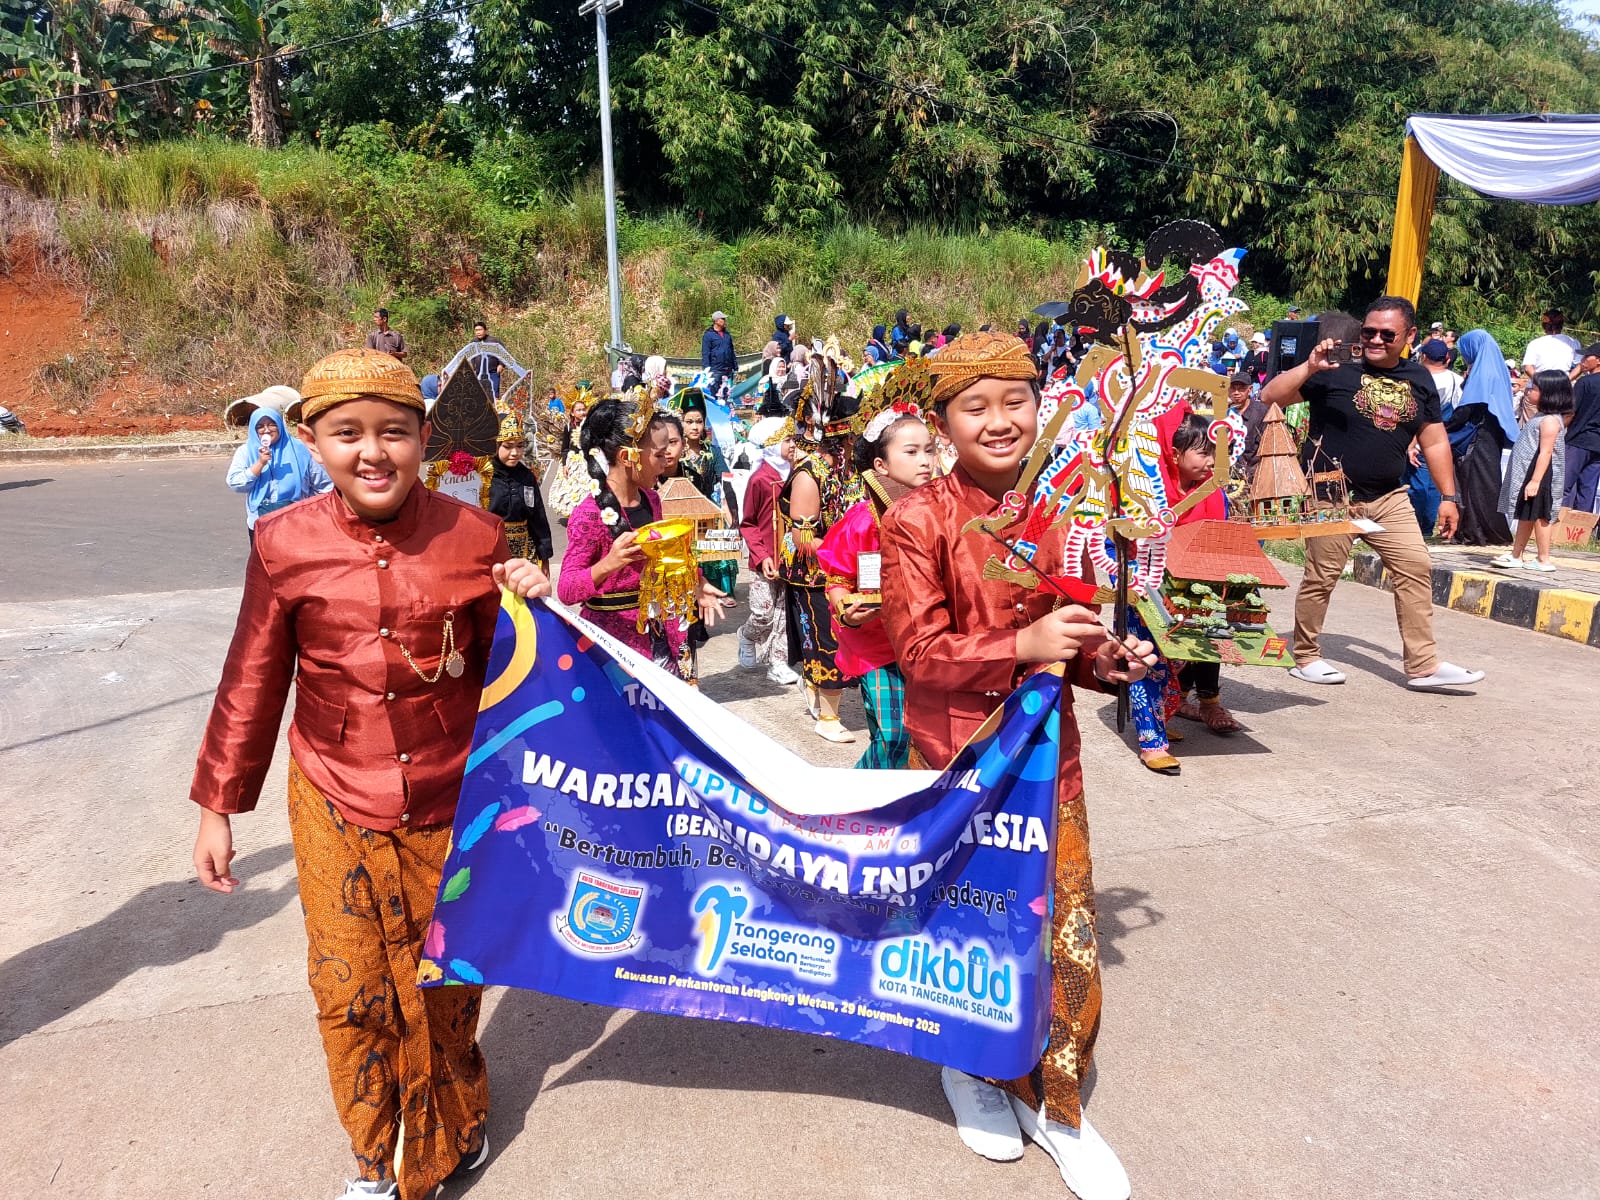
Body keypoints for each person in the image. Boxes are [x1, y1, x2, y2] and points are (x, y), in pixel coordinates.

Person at [190, 348, 552, 1200]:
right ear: (313, 442)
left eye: (394, 432)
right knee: (351, 988)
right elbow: (253, 677)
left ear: (425, 439)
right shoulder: (282, 543)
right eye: (348, 433)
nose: (373, 452)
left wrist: (534, 596)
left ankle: (458, 1128)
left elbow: (526, 666)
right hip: (332, 793)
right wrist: (217, 804)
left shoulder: (477, 538)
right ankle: (374, 1154)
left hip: (449, 798)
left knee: (447, 985)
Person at [880, 331, 1153, 1200]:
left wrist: (1101, 661)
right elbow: (918, 653)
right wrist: (1023, 643)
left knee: (1067, 929)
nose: (1000, 422)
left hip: (1047, 757)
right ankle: (971, 1069)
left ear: (1042, 407)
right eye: (976, 407)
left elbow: (1069, 639)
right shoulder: (916, 520)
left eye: (1016, 401)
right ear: (943, 424)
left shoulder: (1064, 512)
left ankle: (1063, 1109)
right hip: (959, 758)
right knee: (970, 925)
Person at [1262, 295, 1485, 692]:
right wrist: (1309, 367)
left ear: (1410, 336)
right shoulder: (1335, 369)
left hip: (1390, 496)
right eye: (1369, 332)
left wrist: (1449, 497)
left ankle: (1423, 665)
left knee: (1416, 567)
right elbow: (1270, 397)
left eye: (1387, 333)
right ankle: (1307, 655)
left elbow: (1433, 441)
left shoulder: (1419, 380)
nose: (1376, 340)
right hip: (1333, 494)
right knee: (1321, 577)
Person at [556, 397, 724, 674]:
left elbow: (661, 557)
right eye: (658, 454)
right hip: (615, 645)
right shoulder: (589, 514)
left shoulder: (652, 499)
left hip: (662, 632)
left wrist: (698, 581)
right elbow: (567, 589)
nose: (667, 460)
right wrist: (608, 564)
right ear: (627, 457)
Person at [816, 401, 936, 768]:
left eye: (930, 450)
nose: (925, 461)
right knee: (894, 736)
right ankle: (853, 811)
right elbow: (837, 577)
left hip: (935, 643)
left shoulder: (945, 512)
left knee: (932, 741)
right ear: (880, 466)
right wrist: (848, 612)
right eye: (912, 452)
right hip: (879, 647)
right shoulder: (862, 522)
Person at [777, 398, 857, 743]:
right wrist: (845, 556)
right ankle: (828, 716)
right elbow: (803, 536)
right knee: (827, 641)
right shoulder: (810, 474)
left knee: (850, 635)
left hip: (849, 568)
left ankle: (812, 685)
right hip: (815, 573)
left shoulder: (850, 470)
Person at [736, 417, 802, 684]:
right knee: (763, 613)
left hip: (790, 558)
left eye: (792, 439)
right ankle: (747, 635)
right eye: (786, 440)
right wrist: (762, 556)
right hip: (765, 559)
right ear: (772, 445)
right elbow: (748, 523)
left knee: (784, 613)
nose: (792, 445)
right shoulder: (760, 479)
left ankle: (778, 662)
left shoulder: (797, 475)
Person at [1492, 370, 1572, 572]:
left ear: (1549, 394)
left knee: (1541, 516)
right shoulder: (1541, 417)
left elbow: (1545, 453)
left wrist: (1535, 481)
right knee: (1526, 514)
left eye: (1533, 388)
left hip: (1541, 474)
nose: (1528, 391)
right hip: (1531, 472)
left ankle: (1544, 558)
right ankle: (1516, 554)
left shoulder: (1550, 421)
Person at [1447, 331, 1517, 546]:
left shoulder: (1483, 373)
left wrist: (1444, 425)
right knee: (1486, 484)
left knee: (1474, 485)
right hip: (1490, 436)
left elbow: (1468, 408)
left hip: (1479, 438)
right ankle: (1481, 531)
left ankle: (1477, 532)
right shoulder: (1495, 371)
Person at [225, 406, 333, 542]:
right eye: (260, 426)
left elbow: (324, 485)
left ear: (280, 425)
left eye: (272, 424)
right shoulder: (246, 451)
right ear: (254, 430)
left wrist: (316, 514)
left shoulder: (300, 449)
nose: (266, 430)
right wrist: (259, 464)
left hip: (297, 521)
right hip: (261, 523)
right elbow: (235, 484)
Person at [1404, 339, 1461, 536]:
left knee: (1415, 486)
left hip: (1417, 439)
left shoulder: (1415, 378)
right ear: (1446, 357)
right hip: (1443, 438)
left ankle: (1415, 527)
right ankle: (1428, 527)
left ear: (1424, 356)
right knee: (1435, 487)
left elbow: (1413, 414)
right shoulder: (1456, 380)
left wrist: (1411, 444)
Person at [486, 412, 554, 572]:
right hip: (492, 551)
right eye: (508, 446)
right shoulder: (483, 476)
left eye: (520, 445)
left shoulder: (526, 476)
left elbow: (538, 516)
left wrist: (544, 556)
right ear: (495, 445)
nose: (515, 452)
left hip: (525, 552)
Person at [1564, 343, 1600, 515]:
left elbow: (1571, 411)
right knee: (1588, 489)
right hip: (1597, 444)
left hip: (1578, 440)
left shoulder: (1585, 382)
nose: (1583, 360)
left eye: (1587, 357)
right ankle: (1579, 533)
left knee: (1563, 484)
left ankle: (1553, 526)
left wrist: (1560, 426)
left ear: (1598, 361)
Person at [548, 396, 592, 521]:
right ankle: (575, 516)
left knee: (587, 488)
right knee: (572, 489)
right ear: (572, 413)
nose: (582, 412)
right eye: (578, 410)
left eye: (583, 409)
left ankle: (586, 514)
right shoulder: (568, 427)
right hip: (573, 462)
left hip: (587, 461)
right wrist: (564, 465)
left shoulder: (590, 426)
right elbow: (565, 448)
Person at [1227, 371, 1268, 477]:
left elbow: (1264, 447)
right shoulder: (1224, 412)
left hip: (1252, 473)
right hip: (1228, 471)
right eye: (1233, 388)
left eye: (1241, 389)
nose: (1236, 392)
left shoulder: (1260, 412)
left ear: (1249, 390)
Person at [1523, 308, 1581, 376]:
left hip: (1538, 384)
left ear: (1544, 326)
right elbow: (1581, 365)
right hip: (1562, 384)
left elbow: (1527, 368)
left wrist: (1539, 382)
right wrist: (1568, 380)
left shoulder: (1534, 343)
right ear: (1561, 325)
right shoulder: (1573, 342)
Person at [701, 311, 737, 398]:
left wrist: (735, 367)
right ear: (716, 321)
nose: (725, 321)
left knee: (726, 393)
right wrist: (707, 369)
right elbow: (705, 353)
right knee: (713, 393)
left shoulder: (727, 335)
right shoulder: (708, 335)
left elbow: (731, 351)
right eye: (723, 319)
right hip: (715, 370)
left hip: (728, 369)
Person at [470, 321, 502, 399]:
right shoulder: (473, 342)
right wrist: (473, 368)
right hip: (478, 374)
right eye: (476, 330)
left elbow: (503, 353)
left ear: (485, 330)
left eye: (480, 330)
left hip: (493, 372)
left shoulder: (494, 341)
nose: (478, 332)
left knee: (494, 394)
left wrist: (501, 364)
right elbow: (472, 356)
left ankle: (495, 410)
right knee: (479, 396)